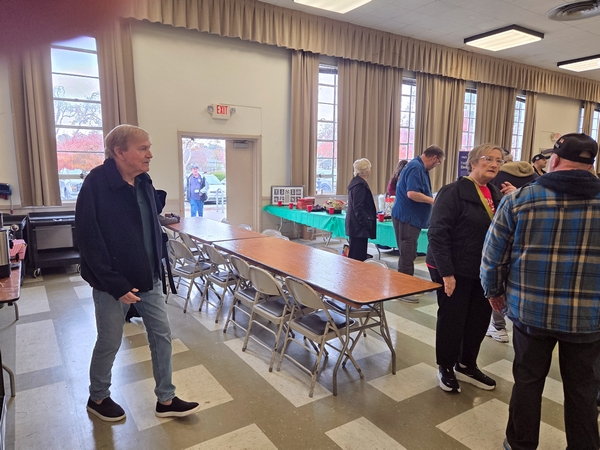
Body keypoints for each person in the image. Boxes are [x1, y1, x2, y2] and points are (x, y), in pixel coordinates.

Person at [481, 133, 600, 450]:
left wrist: (493, 292)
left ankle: (520, 444)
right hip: (589, 318)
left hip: (531, 312)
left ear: (554, 161)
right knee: (584, 389)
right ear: (591, 165)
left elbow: (492, 256)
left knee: (528, 381)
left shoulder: (519, 199)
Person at [75, 124, 200, 422]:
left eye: (149, 147)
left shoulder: (143, 180)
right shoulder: (96, 183)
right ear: (119, 152)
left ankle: (166, 399)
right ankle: (98, 396)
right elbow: (88, 239)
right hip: (112, 283)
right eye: (143, 148)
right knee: (110, 340)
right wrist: (114, 283)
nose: (150, 154)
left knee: (162, 335)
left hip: (148, 277)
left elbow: (147, 221)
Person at [427, 144, 514, 394]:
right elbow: (437, 233)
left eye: (499, 160)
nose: (494, 164)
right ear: (473, 162)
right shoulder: (453, 192)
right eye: (488, 159)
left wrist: (513, 198)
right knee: (452, 319)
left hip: (484, 270)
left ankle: (467, 365)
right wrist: (446, 273)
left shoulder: (497, 194)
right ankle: (446, 366)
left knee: (478, 320)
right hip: (455, 268)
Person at [486, 151, 538, 343]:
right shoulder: (535, 181)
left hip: (504, 239)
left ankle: (498, 325)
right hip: (527, 246)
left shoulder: (499, 180)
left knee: (499, 281)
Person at [392, 146, 444, 302]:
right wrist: (434, 200)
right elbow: (412, 193)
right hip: (407, 218)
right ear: (434, 158)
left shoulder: (419, 167)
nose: (436, 166)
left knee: (410, 253)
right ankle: (403, 292)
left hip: (410, 218)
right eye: (438, 162)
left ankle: (408, 285)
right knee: (407, 254)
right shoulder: (416, 167)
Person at [345, 158, 377, 261]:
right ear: (367, 171)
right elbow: (358, 207)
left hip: (355, 226)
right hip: (359, 228)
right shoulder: (360, 186)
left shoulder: (355, 183)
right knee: (358, 257)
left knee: (355, 255)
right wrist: (366, 223)